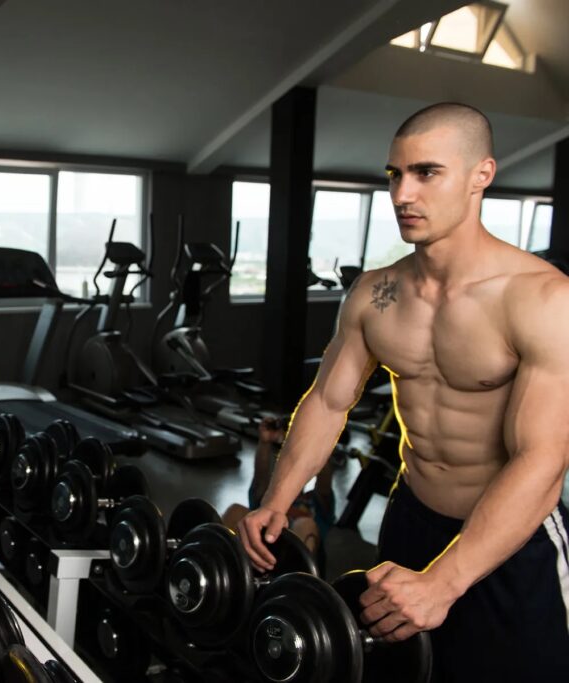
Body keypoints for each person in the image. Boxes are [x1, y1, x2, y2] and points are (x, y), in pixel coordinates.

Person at [238, 101, 569, 682]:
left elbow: (542, 458)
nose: (401, 193)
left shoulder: (542, 299)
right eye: (394, 174)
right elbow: (327, 402)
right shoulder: (374, 295)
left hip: (510, 541)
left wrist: (447, 580)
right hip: (411, 520)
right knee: (403, 674)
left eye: (426, 172)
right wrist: (277, 499)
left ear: (481, 175)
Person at [221, 416, 336, 556]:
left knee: (305, 524)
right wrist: (265, 443)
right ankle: (218, 567)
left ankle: (296, 576)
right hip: (260, 550)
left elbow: (324, 483)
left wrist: (316, 443)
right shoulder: (269, 497)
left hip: (300, 560)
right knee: (235, 511)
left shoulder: (314, 500)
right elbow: (260, 478)